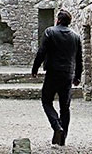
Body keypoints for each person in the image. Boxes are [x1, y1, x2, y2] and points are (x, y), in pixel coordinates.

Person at [31, 9, 83, 145]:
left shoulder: (50, 32)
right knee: (65, 107)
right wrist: (77, 76)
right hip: (68, 74)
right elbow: (79, 59)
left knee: (46, 101)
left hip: (52, 73)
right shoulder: (76, 36)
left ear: (58, 20)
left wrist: (35, 68)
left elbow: (41, 52)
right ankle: (62, 138)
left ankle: (57, 126)